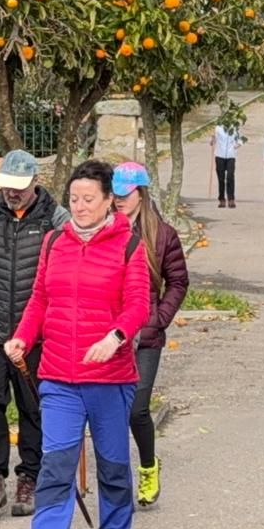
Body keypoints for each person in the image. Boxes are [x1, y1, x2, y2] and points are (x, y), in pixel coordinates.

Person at [1, 160, 152, 529]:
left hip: (109, 377)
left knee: (112, 466)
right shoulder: (55, 242)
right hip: (58, 378)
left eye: (89, 199)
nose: (80, 206)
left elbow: (138, 304)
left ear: (108, 202)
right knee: (56, 469)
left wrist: (115, 337)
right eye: (74, 199)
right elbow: (40, 299)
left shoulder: (129, 245)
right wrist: (22, 337)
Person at [0, 150, 69, 522]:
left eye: (19, 187)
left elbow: (70, 269)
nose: (11, 193)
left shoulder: (55, 220)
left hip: (36, 335)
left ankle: (30, 477)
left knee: (33, 406)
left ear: (36, 182)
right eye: (6, 186)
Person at [111, 162, 188, 509]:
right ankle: (116, 480)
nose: (118, 200)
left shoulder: (163, 235)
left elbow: (178, 282)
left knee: (136, 409)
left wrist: (159, 319)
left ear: (140, 194)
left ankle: (147, 466)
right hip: (109, 333)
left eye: (125, 195)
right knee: (111, 411)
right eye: (114, 194)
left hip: (146, 336)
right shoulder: (102, 230)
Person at [210, 121, 243, 208]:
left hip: (231, 156)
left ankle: (231, 199)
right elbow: (212, 142)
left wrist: (237, 145)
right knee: (221, 179)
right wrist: (212, 139)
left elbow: (240, 140)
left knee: (230, 177)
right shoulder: (218, 128)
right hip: (219, 155)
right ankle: (222, 199)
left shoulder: (235, 128)